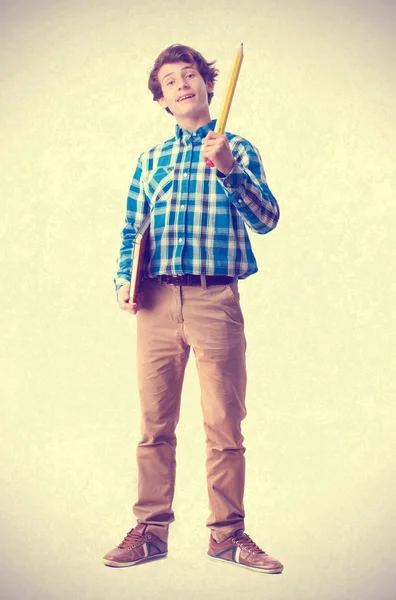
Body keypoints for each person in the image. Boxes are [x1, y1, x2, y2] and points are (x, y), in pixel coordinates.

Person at [104, 44, 283, 575]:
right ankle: (150, 531)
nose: (183, 84)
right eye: (171, 81)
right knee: (154, 425)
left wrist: (229, 171)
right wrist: (122, 280)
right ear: (161, 99)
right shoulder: (150, 161)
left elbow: (268, 219)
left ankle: (228, 536)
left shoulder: (239, 149)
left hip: (215, 298)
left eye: (191, 76)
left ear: (208, 85)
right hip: (155, 302)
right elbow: (131, 229)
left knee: (224, 425)